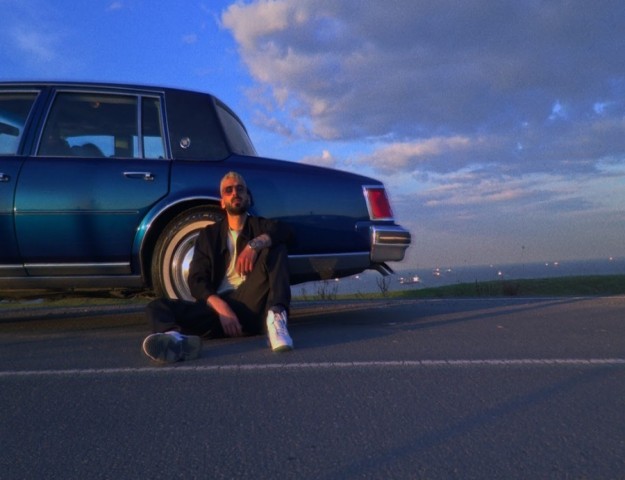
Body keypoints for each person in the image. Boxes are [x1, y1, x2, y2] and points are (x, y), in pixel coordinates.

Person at [142, 171, 294, 363]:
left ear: (248, 198)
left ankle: (277, 318)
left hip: (251, 304)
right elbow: (196, 279)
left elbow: (286, 231)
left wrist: (254, 245)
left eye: (240, 189)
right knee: (157, 306)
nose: (235, 193)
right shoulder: (209, 235)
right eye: (228, 190)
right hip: (217, 311)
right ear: (222, 202)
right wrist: (221, 307)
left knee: (276, 247)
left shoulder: (259, 226)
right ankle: (174, 339)